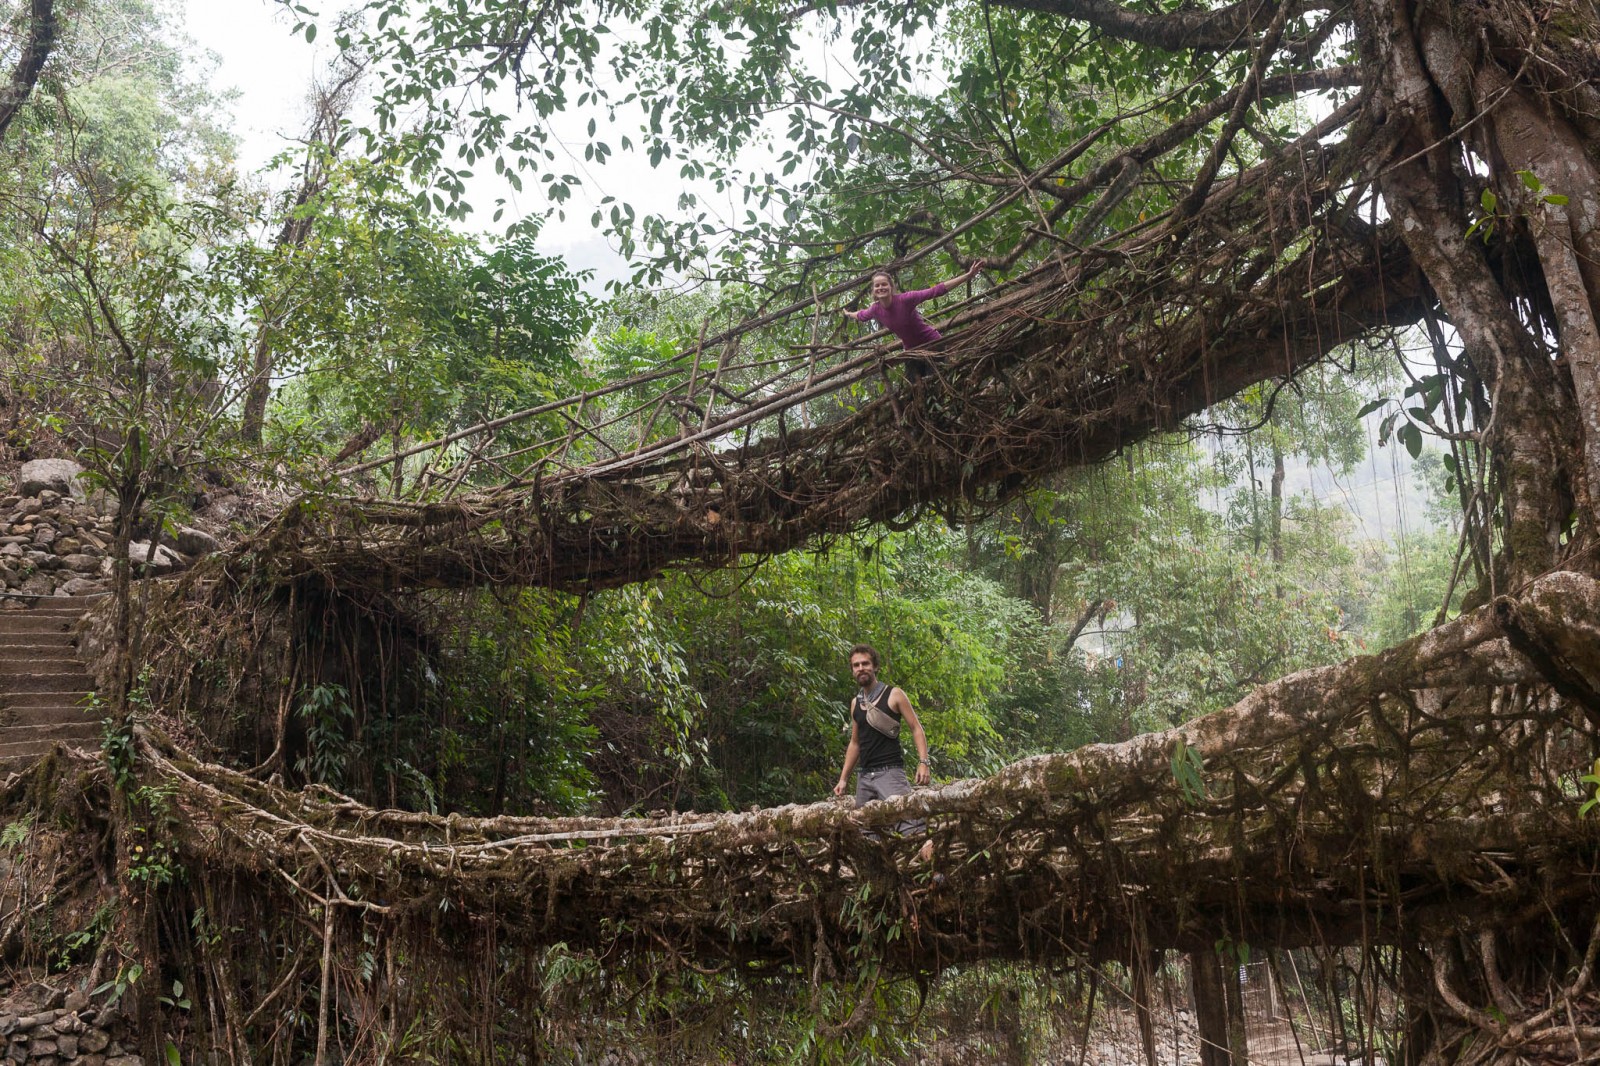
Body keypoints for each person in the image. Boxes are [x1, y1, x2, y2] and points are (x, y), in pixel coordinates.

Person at [833, 643, 934, 857]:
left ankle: (934, 873)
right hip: (865, 778)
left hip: (890, 772)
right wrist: (843, 779)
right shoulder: (855, 703)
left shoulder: (894, 694)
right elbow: (855, 743)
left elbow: (916, 728)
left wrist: (923, 762)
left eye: (865, 664)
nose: (861, 668)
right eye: (856, 665)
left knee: (912, 827)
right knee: (868, 833)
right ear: (852, 670)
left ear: (875, 666)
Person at [840, 261, 985, 382]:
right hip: (912, 351)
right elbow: (860, 315)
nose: (880, 288)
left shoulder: (905, 299)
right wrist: (848, 313)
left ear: (891, 287)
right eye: (877, 286)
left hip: (933, 344)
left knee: (935, 382)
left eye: (884, 284)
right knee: (914, 390)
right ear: (873, 290)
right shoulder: (875, 309)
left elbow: (936, 290)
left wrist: (968, 275)